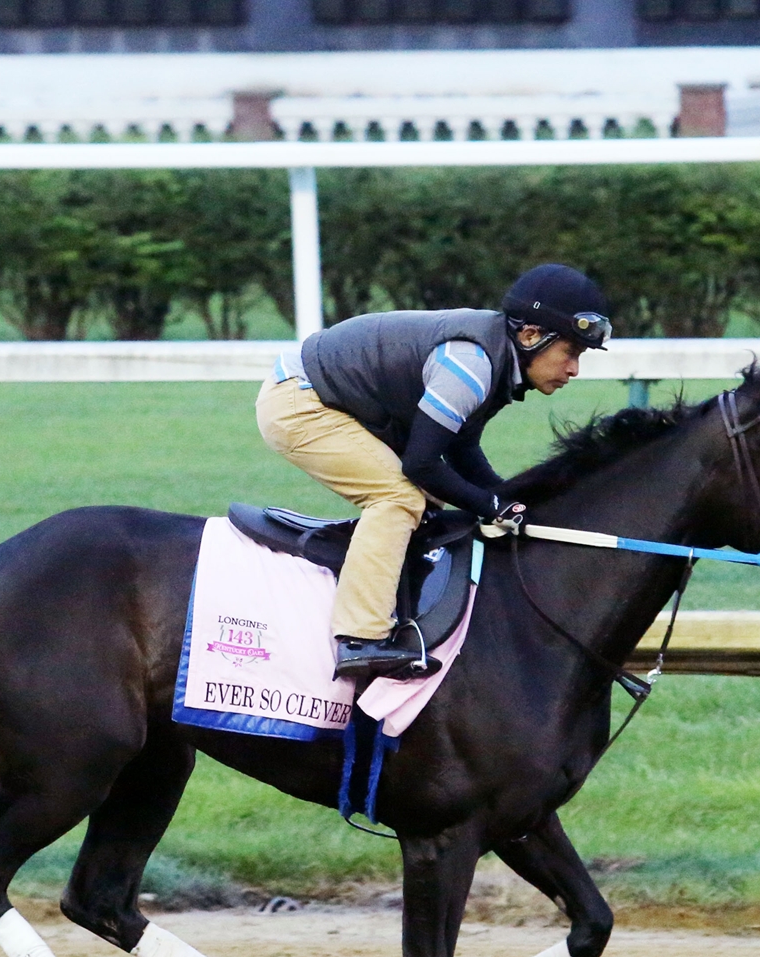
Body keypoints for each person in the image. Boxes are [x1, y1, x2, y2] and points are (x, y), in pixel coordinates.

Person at [255, 262, 611, 680]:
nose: (574, 370)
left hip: (332, 399)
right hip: (299, 402)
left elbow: (461, 447)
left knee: (428, 500)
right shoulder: (471, 364)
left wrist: (509, 498)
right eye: (570, 353)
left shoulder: (497, 357)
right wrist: (493, 505)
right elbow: (421, 464)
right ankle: (359, 639)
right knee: (398, 497)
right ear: (531, 335)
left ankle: (407, 611)